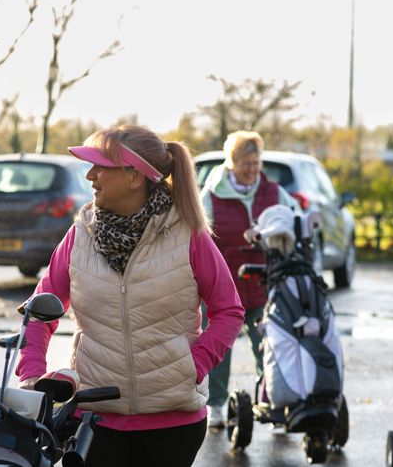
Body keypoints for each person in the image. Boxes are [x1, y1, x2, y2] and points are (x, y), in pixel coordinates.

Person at [16, 125, 245, 467]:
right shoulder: (79, 235)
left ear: (135, 176)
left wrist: (193, 366)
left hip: (174, 424)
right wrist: (31, 374)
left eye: (100, 167)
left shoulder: (188, 234)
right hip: (94, 420)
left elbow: (229, 310)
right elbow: (40, 309)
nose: (90, 175)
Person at [198, 131, 299, 428]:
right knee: (218, 351)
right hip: (222, 288)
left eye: (256, 163)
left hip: (263, 286)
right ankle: (216, 405)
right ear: (232, 162)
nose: (252, 169)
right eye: (246, 163)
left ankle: (275, 403)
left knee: (270, 347)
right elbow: (199, 238)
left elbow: (295, 220)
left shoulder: (275, 192)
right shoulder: (211, 194)